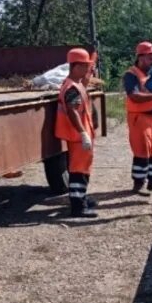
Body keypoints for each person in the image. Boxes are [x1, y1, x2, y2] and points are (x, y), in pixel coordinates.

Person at [54, 48, 98, 218]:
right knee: (78, 171)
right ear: (75, 66)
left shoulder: (76, 83)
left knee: (83, 169)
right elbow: (72, 111)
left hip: (81, 136)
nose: (88, 69)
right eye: (85, 66)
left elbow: (84, 87)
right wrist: (82, 133)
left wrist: (92, 59)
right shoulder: (71, 87)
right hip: (78, 137)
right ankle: (78, 207)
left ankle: (82, 199)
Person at [123, 41, 152, 195]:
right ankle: (139, 184)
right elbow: (134, 95)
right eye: (150, 58)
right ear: (140, 58)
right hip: (139, 118)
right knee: (142, 152)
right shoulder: (131, 75)